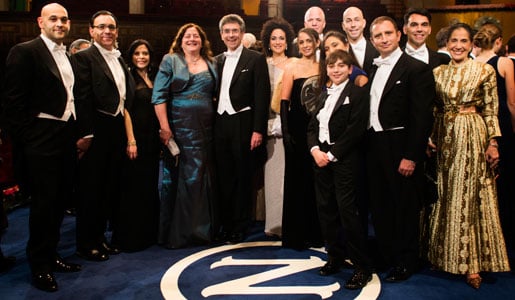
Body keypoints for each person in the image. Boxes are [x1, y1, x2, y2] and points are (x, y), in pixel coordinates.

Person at [2, 3, 81, 292]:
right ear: (40, 22)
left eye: (63, 19)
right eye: (53, 19)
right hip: (40, 140)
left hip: (65, 137)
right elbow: (12, 105)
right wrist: (30, 140)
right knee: (43, 206)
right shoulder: (24, 51)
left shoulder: (68, 54)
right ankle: (39, 266)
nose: (59, 23)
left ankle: (52, 255)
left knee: (60, 202)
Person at [428, 22, 511, 289]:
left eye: (464, 41)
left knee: (470, 195)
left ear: (471, 43)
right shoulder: (438, 72)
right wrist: (429, 136)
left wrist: (493, 143)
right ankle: (444, 257)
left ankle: (473, 264)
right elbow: (433, 108)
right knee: (445, 194)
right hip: (444, 138)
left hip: (473, 136)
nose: (458, 46)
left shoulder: (484, 70)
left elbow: (491, 109)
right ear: (446, 42)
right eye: (454, 40)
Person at [366, 16, 435, 282]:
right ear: (372, 40)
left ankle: (406, 261)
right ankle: (386, 255)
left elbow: (422, 118)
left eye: (387, 34)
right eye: (378, 36)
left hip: (401, 147)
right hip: (373, 146)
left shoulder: (416, 68)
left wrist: (411, 155)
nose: (383, 39)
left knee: (404, 207)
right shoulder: (372, 69)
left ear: (399, 34)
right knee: (380, 205)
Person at [72, 10, 135, 261]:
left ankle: (100, 239)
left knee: (108, 188)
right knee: (90, 191)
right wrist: (86, 134)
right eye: (101, 27)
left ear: (117, 31)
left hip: (115, 127)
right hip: (95, 129)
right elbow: (82, 98)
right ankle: (87, 244)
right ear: (91, 30)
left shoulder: (119, 59)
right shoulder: (84, 58)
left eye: (111, 27)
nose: (107, 31)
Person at [307, 49, 373, 290]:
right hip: (321, 159)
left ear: (349, 69)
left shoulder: (357, 93)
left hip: (344, 160)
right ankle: (334, 257)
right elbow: (312, 126)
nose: (335, 69)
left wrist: (333, 155)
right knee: (326, 211)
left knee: (349, 214)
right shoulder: (323, 94)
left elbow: (356, 129)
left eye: (340, 66)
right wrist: (315, 150)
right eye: (331, 65)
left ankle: (361, 267)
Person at [152, 23, 218, 248]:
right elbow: (158, 96)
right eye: (187, 36)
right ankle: (179, 233)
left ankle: (201, 231)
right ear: (180, 40)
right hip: (179, 127)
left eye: (196, 36)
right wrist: (164, 126)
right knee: (183, 176)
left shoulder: (212, 63)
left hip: (206, 128)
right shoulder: (170, 60)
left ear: (202, 40)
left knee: (201, 176)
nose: (192, 39)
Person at [214, 14, 270, 244]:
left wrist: (258, 130)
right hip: (219, 124)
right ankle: (225, 224)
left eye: (234, 30)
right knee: (223, 177)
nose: (231, 35)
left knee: (242, 177)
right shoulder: (215, 60)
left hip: (243, 124)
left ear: (241, 32)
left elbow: (262, 96)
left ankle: (239, 226)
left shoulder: (255, 59)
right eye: (226, 31)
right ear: (221, 35)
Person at [111, 39, 160, 252]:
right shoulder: (128, 77)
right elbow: (126, 110)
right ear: (131, 57)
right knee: (132, 188)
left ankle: (149, 233)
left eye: (145, 53)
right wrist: (131, 140)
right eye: (137, 53)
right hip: (134, 139)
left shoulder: (156, 76)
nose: (141, 57)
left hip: (152, 139)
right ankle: (131, 238)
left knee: (149, 186)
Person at [280, 27, 323, 250]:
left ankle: (316, 233)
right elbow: (284, 102)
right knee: (297, 182)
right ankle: (296, 236)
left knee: (318, 182)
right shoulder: (292, 66)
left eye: (309, 41)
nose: (306, 45)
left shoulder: (324, 65)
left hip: (320, 131)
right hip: (296, 132)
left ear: (317, 42)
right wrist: (286, 133)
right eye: (302, 41)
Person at [474, 23, 515, 253]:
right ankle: (505, 235)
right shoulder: (504, 62)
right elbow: (511, 102)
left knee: (486, 180)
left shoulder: (472, 64)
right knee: (505, 181)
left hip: (478, 126)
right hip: (501, 126)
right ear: (498, 42)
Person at [259, 17, 295, 238]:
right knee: (271, 175)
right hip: (267, 125)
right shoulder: (261, 63)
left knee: (287, 176)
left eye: (282, 38)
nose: (278, 41)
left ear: (288, 40)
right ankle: (272, 224)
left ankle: (288, 221)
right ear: (267, 40)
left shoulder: (295, 63)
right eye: (274, 38)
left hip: (289, 126)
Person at [341, 6, 379, 75]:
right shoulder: (339, 50)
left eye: (357, 20)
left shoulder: (377, 49)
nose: (353, 25)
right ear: (343, 26)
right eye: (348, 21)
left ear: (364, 23)